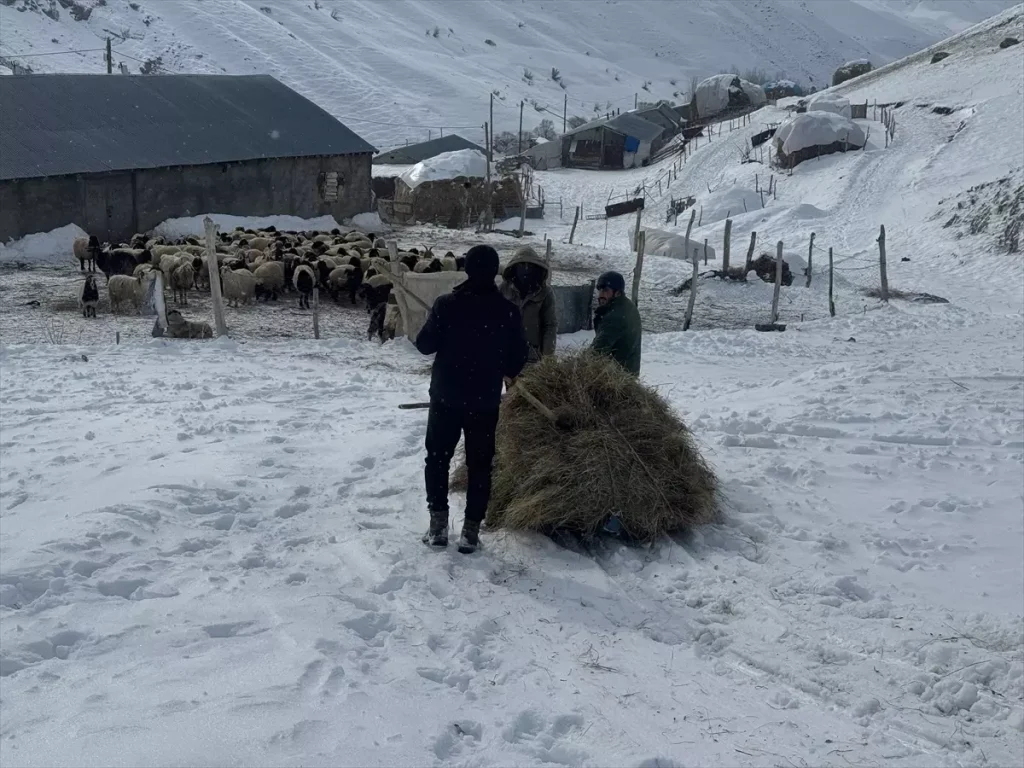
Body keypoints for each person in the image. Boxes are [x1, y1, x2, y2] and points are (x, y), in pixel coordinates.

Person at [414, 245, 529, 553]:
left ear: (467, 270)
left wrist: (435, 324)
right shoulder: (507, 312)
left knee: (438, 459)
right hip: (484, 402)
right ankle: (470, 532)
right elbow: (517, 361)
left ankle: (438, 527)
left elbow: (424, 345)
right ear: (495, 272)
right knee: (480, 465)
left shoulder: (447, 305)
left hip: (446, 399)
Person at [498, 246, 557, 368]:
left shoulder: (545, 292)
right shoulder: (504, 288)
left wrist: (548, 357)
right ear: (515, 267)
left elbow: (550, 325)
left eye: (529, 265)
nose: (525, 269)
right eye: (521, 265)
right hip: (506, 354)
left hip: (532, 357)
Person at [591, 271, 642, 376]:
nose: (601, 295)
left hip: (618, 377)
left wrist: (576, 365)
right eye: (600, 290)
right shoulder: (624, 306)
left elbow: (598, 349)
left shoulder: (616, 316)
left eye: (606, 290)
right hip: (625, 372)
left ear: (617, 293)